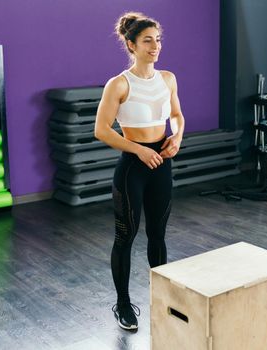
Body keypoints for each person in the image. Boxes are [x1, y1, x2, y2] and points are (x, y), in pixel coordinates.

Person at [94, 12, 185, 331]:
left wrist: (177, 136)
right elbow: (102, 130)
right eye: (147, 40)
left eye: (158, 39)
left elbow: (176, 114)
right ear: (131, 45)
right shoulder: (119, 84)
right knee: (126, 236)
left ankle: (162, 298)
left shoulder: (168, 78)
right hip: (134, 166)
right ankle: (122, 304)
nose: (155, 45)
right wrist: (139, 149)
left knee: (158, 235)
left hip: (162, 164)